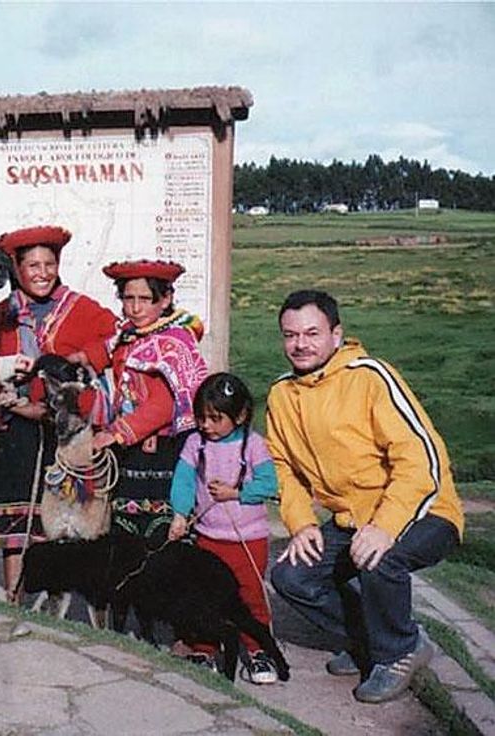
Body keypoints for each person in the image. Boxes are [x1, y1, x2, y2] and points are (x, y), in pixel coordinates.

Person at [266, 289, 463, 704]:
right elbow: (281, 467)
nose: (300, 344)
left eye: (312, 333)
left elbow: (422, 458)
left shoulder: (370, 376)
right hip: (349, 520)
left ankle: (401, 650)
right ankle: (369, 641)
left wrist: (385, 527)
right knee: (291, 576)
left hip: (424, 510)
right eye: (290, 335)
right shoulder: (282, 395)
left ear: (337, 335)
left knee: (379, 558)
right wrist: (300, 523)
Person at [0, 225, 118, 602]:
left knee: (63, 518)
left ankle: (59, 598)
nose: (42, 273)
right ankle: (15, 594)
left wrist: (85, 358)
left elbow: (114, 336)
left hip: (60, 428)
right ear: (17, 268)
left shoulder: (81, 309)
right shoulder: (0, 315)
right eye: (32, 265)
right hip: (13, 425)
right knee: (16, 515)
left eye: (49, 264)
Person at [168, 372, 280, 684]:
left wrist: (237, 493)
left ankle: (258, 651)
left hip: (248, 540)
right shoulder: (196, 443)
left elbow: (270, 484)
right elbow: (184, 480)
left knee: (249, 596)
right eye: (202, 418)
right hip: (208, 537)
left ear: (240, 415)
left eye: (216, 419)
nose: (207, 426)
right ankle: (205, 649)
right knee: (206, 595)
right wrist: (180, 514)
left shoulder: (253, 445)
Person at [90, 259, 208, 545]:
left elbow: (167, 402)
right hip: (130, 448)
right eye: (128, 298)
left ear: (165, 299)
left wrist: (118, 432)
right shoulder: (126, 337)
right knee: (126, 528)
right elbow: (102, 359)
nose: (135, 307)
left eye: (145, 299)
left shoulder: (175, 341)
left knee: (161, 529)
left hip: (166, 448)